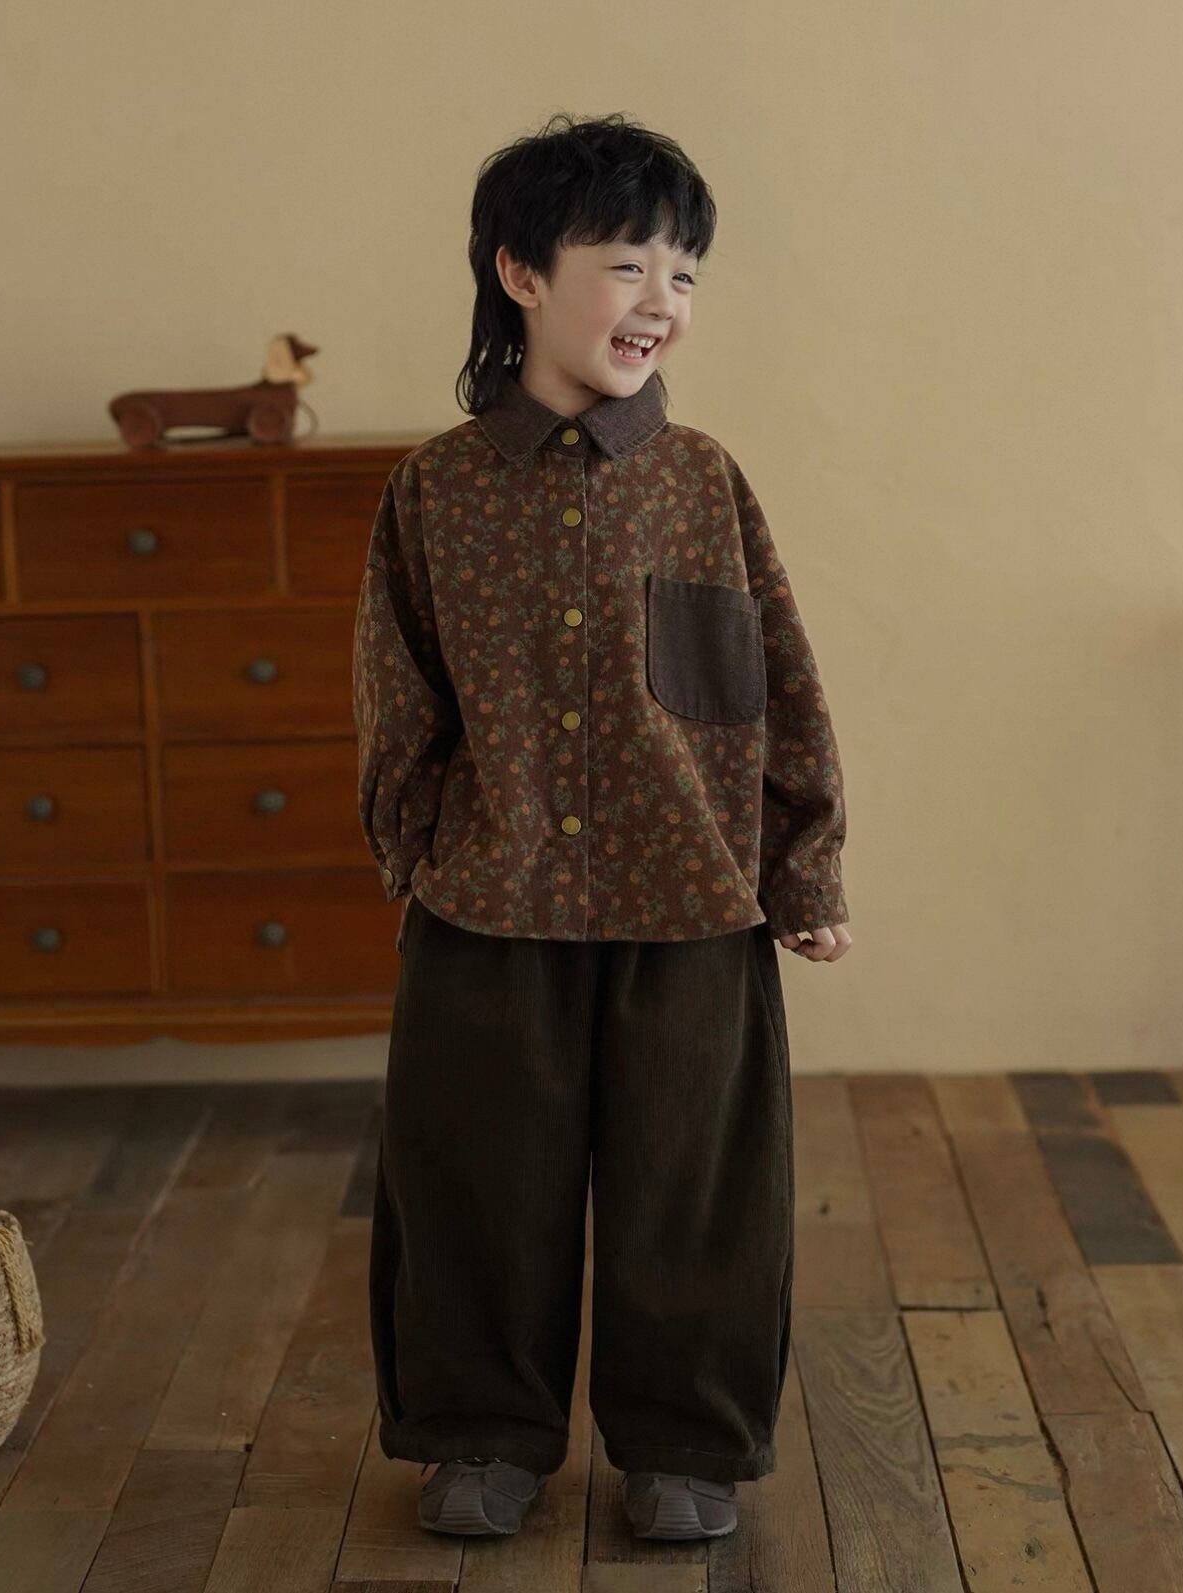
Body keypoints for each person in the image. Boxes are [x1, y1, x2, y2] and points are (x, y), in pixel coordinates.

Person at [352, 110, 852, 1544]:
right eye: (628, 265)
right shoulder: (438, 488)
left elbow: (780, 682)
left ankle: (685, 1441)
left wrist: (803, 863)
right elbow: (395, 687)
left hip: (689, 903)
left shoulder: (702, 485)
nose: (661, 301)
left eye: (684, 275)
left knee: (696, 1193)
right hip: (488, 901)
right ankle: (479, 1432)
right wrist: (416, 850)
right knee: (471, 1182)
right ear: (521, 274)